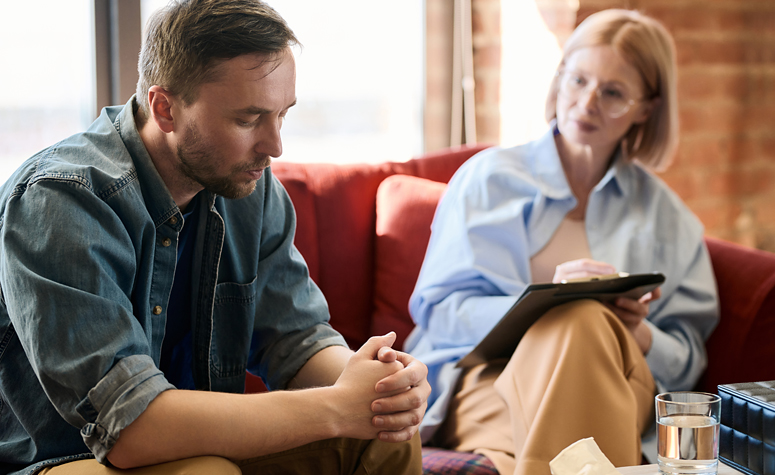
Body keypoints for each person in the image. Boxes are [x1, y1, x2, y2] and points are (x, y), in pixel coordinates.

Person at [0, 1, 430, 474]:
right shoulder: (62, 199)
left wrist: (375, 388)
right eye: (248, 120)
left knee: (386, 438)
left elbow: (296, 337)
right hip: (59, 459)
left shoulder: (249, 186)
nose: (275, 147)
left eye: (281, 115)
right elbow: (129, 427)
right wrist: (334, 409)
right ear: (165, 108)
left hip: (194, 445)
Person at [406, 9, 719, 475]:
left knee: (586, 320)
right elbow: (439, 311)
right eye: (578, 81)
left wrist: (639, 333)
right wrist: (541, 304)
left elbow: (689, 358)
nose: (587, 102)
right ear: (559, 79)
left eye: (612, 93)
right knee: (577, 317)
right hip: (487, 382)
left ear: (646, 108)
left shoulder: (669, 218)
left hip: (618, 380)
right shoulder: (489, 179)